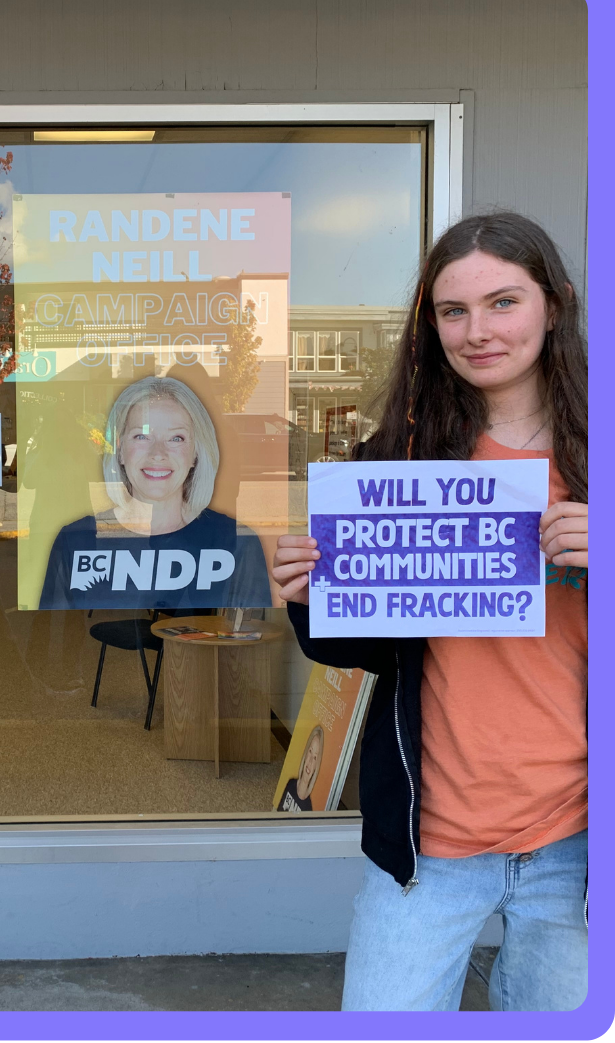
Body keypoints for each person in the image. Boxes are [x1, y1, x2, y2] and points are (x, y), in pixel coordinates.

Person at [272, 213, 587, 1012]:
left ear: (555, 305)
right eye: (453, 312)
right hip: (431, 838)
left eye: (503, 303)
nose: (477, 331)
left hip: (582, 843)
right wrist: (312, 597)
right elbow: (370, 647)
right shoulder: (399, 459)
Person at [38, 375, 271, 610]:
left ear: (195, 453)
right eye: (142, 436)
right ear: (120, 450)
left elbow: (251, 639)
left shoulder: (237, 543)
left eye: (176, 438)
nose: (157, 452)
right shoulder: (76, 541)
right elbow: (56, 640)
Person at [277, 724, 324, 813]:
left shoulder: (307, 808)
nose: (310, 761)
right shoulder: (291, 784)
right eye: (310, 751)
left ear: (316, 767)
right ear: (306, 752)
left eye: (315, 758)